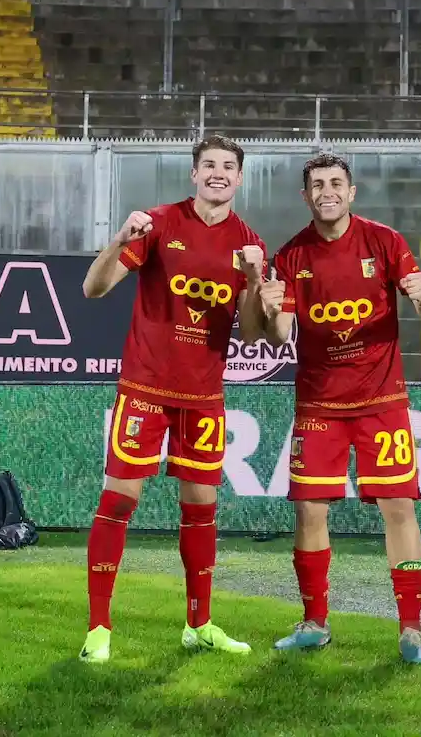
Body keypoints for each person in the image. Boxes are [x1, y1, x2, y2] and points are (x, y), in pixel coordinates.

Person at [78, 134, 268, 663]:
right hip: (145, 388)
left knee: (201, 509)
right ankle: (98, 629)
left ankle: (199, 624)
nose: (218, 173)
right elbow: (94, 288)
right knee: (119, 501)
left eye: (227, 166)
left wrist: (255, 278)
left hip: (203, 396)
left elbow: (254, 333)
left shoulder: (248, 243)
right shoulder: (158, 223)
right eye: (209, 165)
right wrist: (119, 239)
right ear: (194, 173)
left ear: (239, 178)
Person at [253, 153, 421, 665]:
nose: (327, 192)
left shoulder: (384, 241)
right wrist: (269, 309)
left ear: (351, 192)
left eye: (336, 183)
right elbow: (280, 336)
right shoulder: (292, 256)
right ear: (306, 196)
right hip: (319, 404)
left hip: (381, 401)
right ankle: (315, 623)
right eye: (317, 185)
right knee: (309, 510)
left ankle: (411, 629)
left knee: (398, 507)